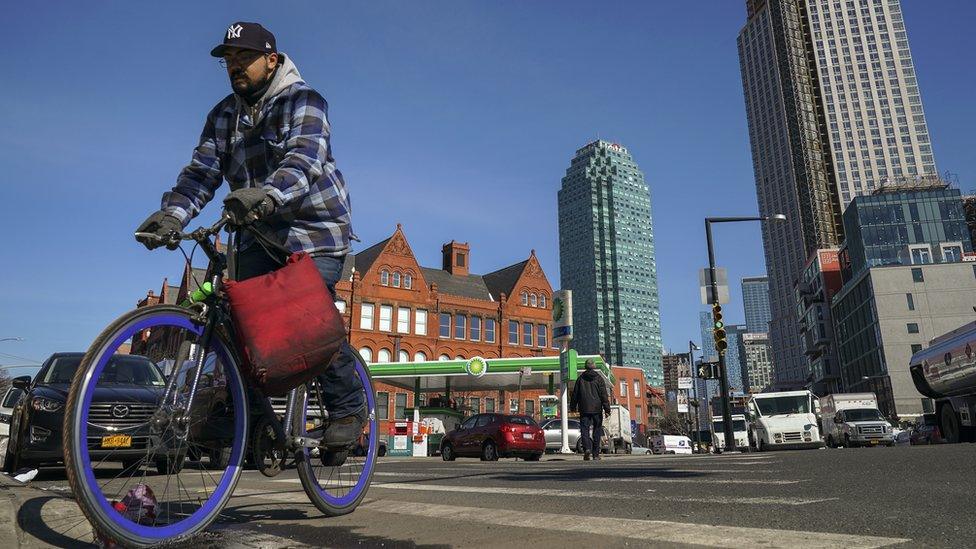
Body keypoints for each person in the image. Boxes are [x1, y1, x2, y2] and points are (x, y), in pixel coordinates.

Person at [134, 22, 365, 448]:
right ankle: (246, 412)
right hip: (257, 233)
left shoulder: (305, 100)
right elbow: (201, 174)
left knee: (305, 314)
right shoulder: (223, 115)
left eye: (244, 58)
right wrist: (173, 216)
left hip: (316, 231)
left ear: (272, 60)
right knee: (240, 320)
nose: (234, 67)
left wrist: (268, 194)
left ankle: (348, 406)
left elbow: (305, 158)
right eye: (229, 61)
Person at [570, 359, 611, 461]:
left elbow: (575, 395)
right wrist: (607, 409)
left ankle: (587, 448)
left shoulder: (580, 379)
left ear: (585, 367)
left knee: (584, 430)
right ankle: (596, 454)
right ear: (594, 366)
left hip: (584, 409)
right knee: (597, 431)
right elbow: (603, 395)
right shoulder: (599, 379)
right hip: (597, 409)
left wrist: (573, 407)